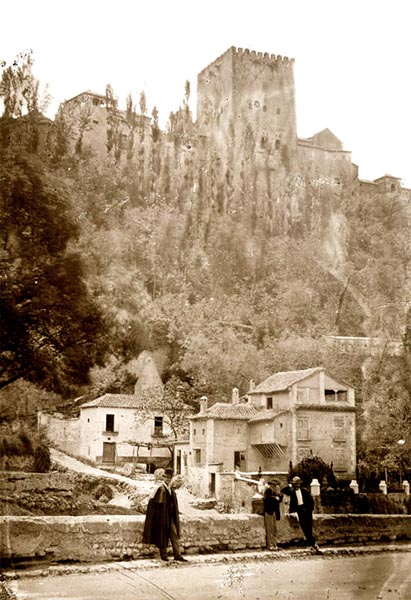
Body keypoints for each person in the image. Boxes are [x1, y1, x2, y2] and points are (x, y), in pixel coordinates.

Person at [142, 467, 187, 562]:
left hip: (170, 517)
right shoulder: (160, 489)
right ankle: (164, 555)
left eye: (169, 478)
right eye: (166, 477)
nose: (168, 479)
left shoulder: (171, 489)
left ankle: (177, 555)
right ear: (164, 478)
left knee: (174, 534)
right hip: (162, 517)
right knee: (162, 535)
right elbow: (156, 505)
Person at [281, 476, 322, 554]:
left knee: (309, 527)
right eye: (295, 484)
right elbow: (283, 490)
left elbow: (311, 501)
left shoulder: (304, 491)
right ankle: (312, 544)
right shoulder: (291, 491)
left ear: (300, 484)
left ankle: (312, 544)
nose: (296, 485)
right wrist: (290, 485)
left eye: (297, 483)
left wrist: (309, 509)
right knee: (304, 527)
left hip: (306, 510)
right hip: (299, 510)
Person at [263, 481, 283, 550]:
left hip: (273, 512)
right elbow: (267, 498)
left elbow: (280, 500)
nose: (275, 486)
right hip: (269, 512)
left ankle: (275, 545)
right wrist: (275, 498)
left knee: (274, 529)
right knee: (270, 529)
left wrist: (279, 494)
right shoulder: (268, 490)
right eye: (274, 485)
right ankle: (270, 545)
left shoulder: (275, 492)